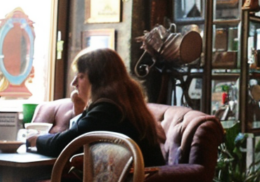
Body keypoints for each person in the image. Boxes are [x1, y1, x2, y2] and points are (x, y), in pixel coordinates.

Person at [28, 47, 166, 167]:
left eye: (81, 76)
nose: (73, 83)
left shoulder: (107, 110)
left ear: (99, 80)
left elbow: (62, 145)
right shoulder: (123, 105)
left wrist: (35, 140)